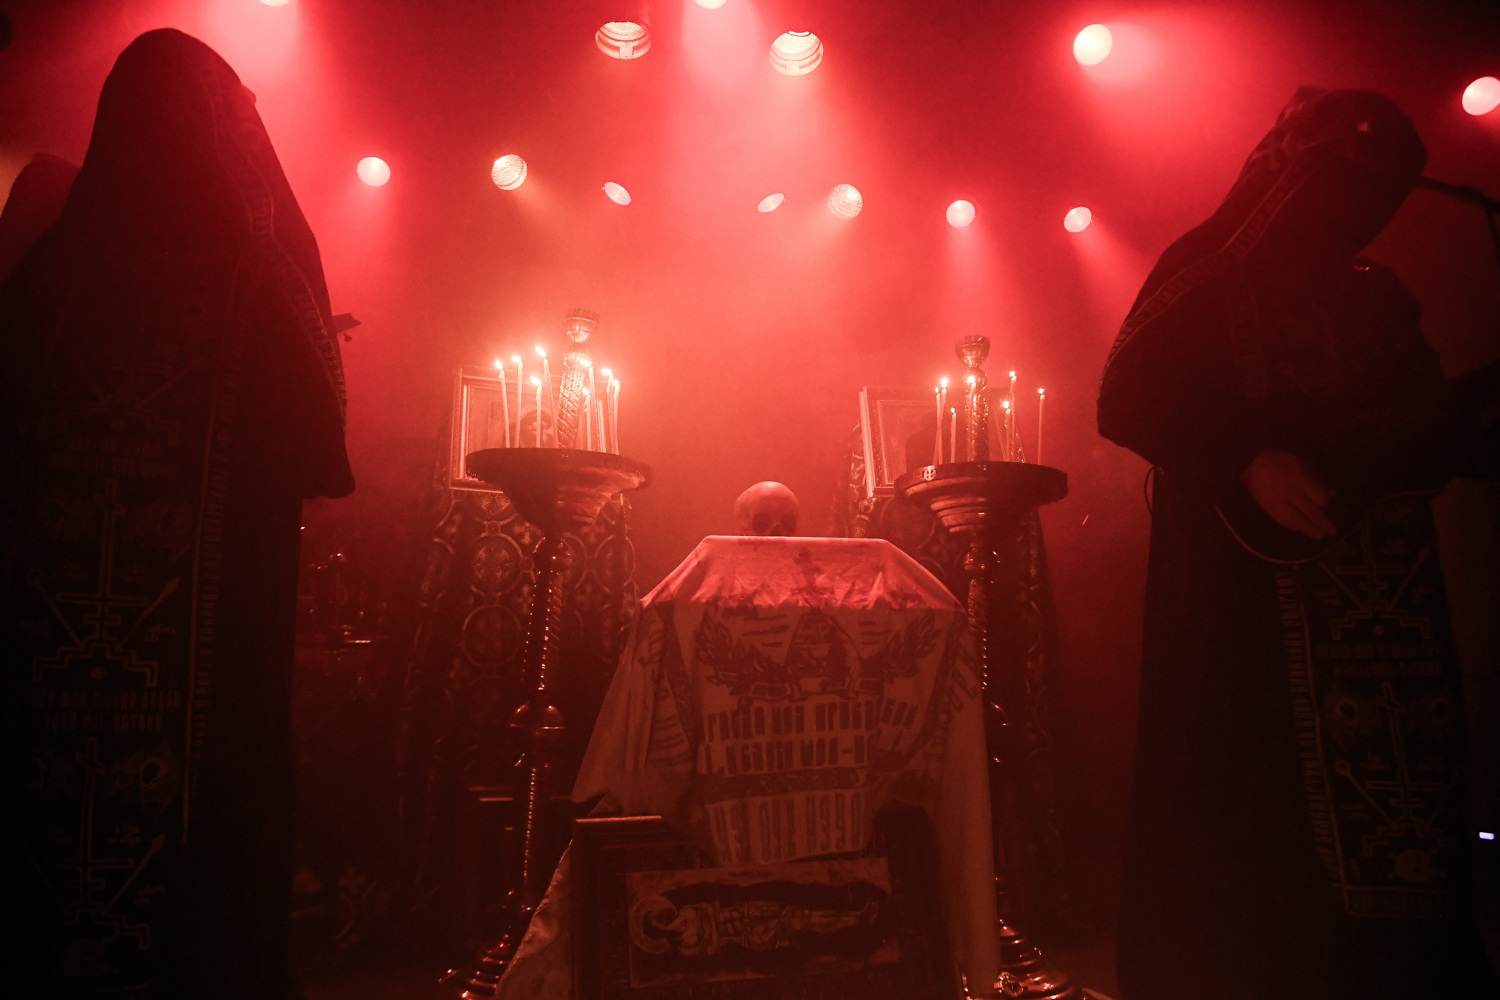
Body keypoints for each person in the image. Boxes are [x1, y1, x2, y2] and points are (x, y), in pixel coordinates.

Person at [1098, 87, 1499, 1000]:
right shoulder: (1205, 270)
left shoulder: (1379, 296)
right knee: (1256, 807)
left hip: (1386, 603)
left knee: (1400, 806)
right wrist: (1246, 456)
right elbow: (1126, 393)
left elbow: (1426, 427)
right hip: (1246, 609)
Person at [1, 30, 353, 998]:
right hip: (204, 705)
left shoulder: (47, 277)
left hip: (42, 698)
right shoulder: (254, 285)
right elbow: (325, 451)